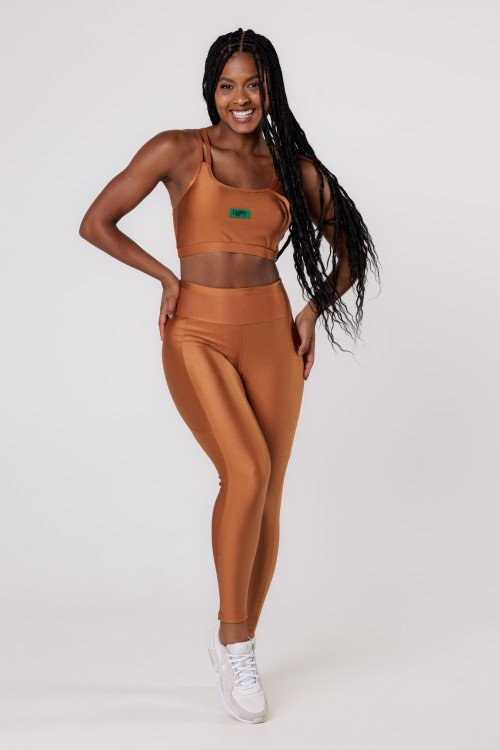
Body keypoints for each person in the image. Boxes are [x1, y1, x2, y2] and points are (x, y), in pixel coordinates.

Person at [79, 28, 381, 724]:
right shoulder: (178, 150)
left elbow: (352, 250)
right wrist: (165, 277)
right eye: (227, 85)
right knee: (245, 471)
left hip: (271, 334)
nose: (240, 98)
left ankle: (238, 647)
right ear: (211, 90)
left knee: (267, 492)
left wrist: (311, 311)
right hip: (197, 332)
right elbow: (97, 222)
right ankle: (233, 639)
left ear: (270, 89)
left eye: (253, 84)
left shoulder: (292, 168)